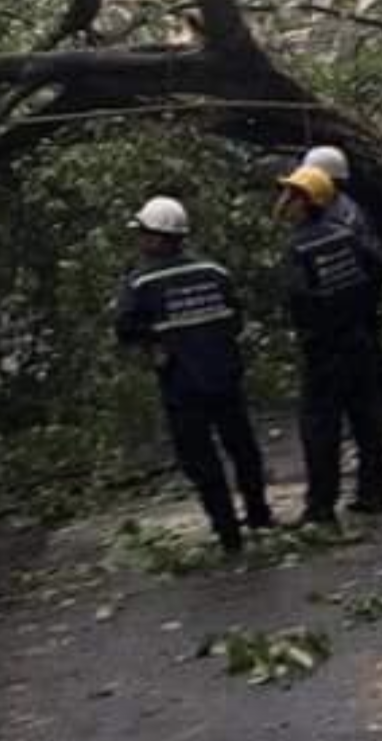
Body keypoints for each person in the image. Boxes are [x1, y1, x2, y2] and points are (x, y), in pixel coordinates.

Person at [115, 196, 274, 554]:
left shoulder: (141, 282)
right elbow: (235, 317)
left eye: (143, 233)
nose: (139, 240)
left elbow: (125, 328)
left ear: (158, 236)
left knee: (200, 458)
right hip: (225, 375)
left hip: (182, 384)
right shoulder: (215, 272)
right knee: (242, 448)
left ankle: (227, 529)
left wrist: (156, 342)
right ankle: (259, 515)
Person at [277, 166, 382, 526]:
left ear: (307, 201)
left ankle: (321, 506)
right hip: (358, 336)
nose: (284, 203)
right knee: (366, 419)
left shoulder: (298, 246)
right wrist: (359, 306)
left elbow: (298, 299)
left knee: (320, 426)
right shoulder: (346, 234)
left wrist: (314, 327)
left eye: (291, 196)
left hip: (324, 348)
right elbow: (377, 266)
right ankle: (374, 493)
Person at [302, 145, 382, 464]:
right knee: (376, 365)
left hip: (354, 307)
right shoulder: (346, 209)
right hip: (362, 301)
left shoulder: (339, 216)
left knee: (367, 371)